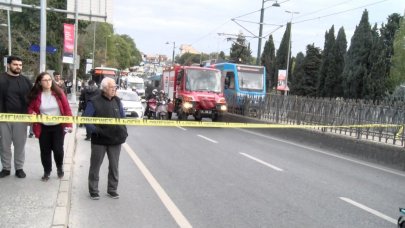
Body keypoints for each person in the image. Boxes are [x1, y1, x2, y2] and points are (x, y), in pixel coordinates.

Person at [83, 77, 128, 200]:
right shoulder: (94, 101)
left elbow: (122, 117)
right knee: (95, 165)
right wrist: (97, 131)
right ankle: (93, 190)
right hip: (99, 140)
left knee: (114, 166)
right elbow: (86, 120)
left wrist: (122, 131)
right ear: (104, 88)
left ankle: (112, 189)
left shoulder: (117, 101)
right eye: (112, 87)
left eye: (115, 87)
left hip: (115, 139)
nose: (114, 89)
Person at [27, 72, 73, 181]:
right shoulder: (36, 95)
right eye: (45, 80)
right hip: (43, 127)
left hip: (58, 127)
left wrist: (69, 125)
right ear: (40, 82)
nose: (48, 82)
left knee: (58, 150)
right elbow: (30, 108)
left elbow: (67, 110)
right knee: (45, 151)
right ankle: (47, 171)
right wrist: (31, 113)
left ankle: (59, 167)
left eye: (49, 80)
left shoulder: (59, 93)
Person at [0, 56, 33, 178]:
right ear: (8, 65)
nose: (18, 67)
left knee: (20, 145)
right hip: (3, 118)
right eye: (15, 64)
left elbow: (33, 99)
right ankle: (6, 168)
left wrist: (32, 115)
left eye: (20, 65)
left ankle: (19, 168)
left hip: (21, 118)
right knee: (4, 145)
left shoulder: (25, 81)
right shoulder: (1, 79)